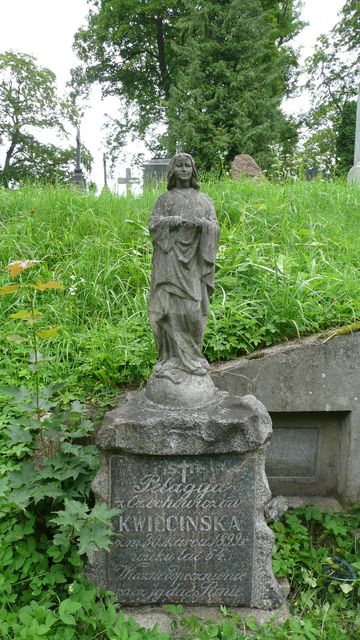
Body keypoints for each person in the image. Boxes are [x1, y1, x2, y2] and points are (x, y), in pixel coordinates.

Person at [148, 153, 219, 384]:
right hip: (169, 263)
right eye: (179, 165)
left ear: (194, 169)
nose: (184, 169)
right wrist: (172, 221)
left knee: (194, 313)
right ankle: (170, 359)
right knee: (167, 310)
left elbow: (214, 228)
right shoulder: (165, 200)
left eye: (188, 165)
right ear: (172, 170)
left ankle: (193, 358)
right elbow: (154, 225)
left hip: (194, 267)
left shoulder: (204, 200)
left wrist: (203, 226)